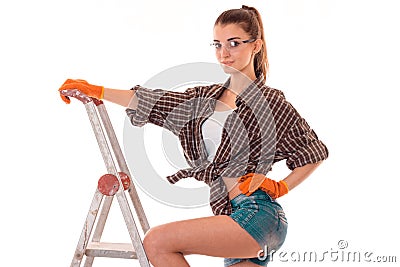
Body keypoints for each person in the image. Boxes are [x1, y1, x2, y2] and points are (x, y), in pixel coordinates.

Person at [59, 5, 328, 267]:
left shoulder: (270, 101)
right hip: (230, 214)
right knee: (158, 244)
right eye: (218, 44)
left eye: (234, 43)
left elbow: (313, 152)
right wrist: (96, 90)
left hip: (257, 215)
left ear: (255, 45)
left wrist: (281, 186)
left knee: (156, 242)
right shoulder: (204, 100)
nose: (224, 53)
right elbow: (154, 102)